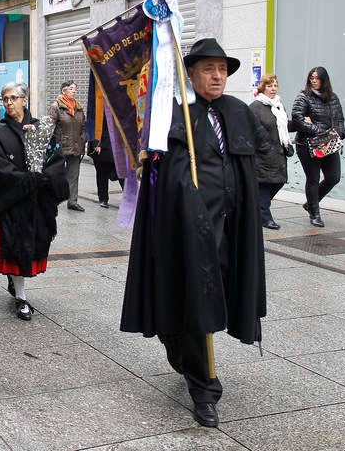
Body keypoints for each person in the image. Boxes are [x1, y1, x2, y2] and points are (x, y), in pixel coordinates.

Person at [120, 38, 267, 428]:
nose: (217, 76)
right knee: (196, 300)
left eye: (222, 69)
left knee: (216, 298)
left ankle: (179, 345)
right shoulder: (177, 114)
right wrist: (190, 202)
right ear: (192, 73)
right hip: (190, 230)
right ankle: (205, 389)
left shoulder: (237, 112)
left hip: (232, 229)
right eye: (208, 69)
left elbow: (254, 164)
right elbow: (167, 178)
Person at [0, 82, 69, 320]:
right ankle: (21, 297)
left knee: (31, 248)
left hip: (38, 202)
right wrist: (26, 179)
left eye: (13, 98)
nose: (9, 103)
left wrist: (44, 178)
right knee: (15, 249)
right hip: (12, 202)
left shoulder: (42, 128)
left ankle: (16, 284)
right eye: (5, 99)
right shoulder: (0, 132)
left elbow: (55, 158)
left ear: (24, 100)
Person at [291, 66, 345, 228]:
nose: (313, 80)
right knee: (313, 179)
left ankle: (310, 203)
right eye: (311, 78)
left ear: (324, 80)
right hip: (308, 144)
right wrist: (316, 129)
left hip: (329, 143)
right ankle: (315, 213)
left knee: (333, 177)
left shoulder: (333, 97)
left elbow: (340, 119)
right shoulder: (304, 97)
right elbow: (297, 118)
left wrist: (340, 133)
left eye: (317, 78)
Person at [250, 74, 292, 230]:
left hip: (279, 152)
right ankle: (265, 216)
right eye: (269, 86)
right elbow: (251, 130)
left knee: (278, 182)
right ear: (263, 87)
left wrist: (301, 123)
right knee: (266, 185)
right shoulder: (255, 107)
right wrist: (263, 147)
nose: (273, 88)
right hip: (263, 154)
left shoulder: (279, 105)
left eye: (275, 85)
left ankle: (259, 208)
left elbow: (283, 125)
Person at [48, 80, 87, 211]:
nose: (74, 91)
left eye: (75, 89)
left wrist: (83, 138)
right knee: (56, 174)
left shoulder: (79, 107)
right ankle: (52, 199)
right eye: (71, 88)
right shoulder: (56, 107)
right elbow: (49, 127)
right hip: (60, 147)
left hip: (76, 147)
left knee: (73, 175)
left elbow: (83, 126)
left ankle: (72, 201)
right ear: (64, 91)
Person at [88, 115, 125, 208]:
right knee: (102, 173)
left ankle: (129, 198)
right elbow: (92, 121)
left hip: (117, 143)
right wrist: (95, 142)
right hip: (102, 143)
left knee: (121, 172)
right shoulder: (99, 104)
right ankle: (103, 198)